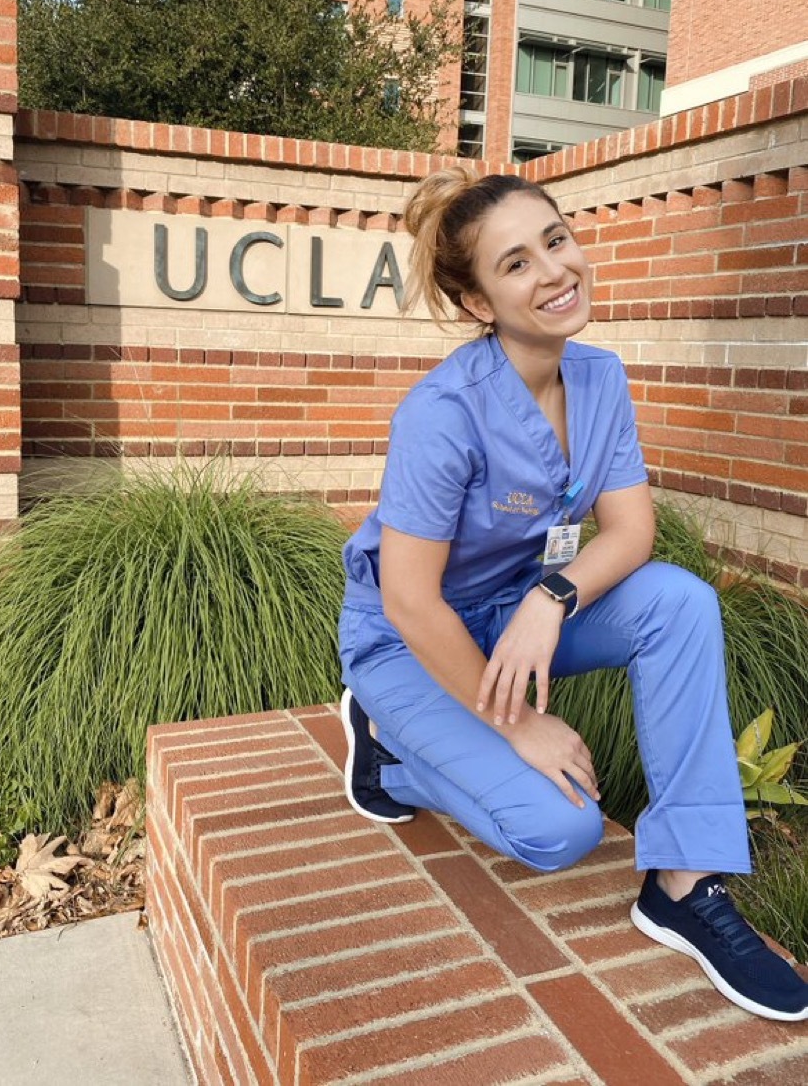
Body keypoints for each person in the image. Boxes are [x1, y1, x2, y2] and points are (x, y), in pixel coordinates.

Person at [338, 169, 808, 1024]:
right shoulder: (441, 413)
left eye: (555, 241)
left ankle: (683, 881)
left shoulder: (599, 378)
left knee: (677, 603)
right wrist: (517, 723)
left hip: (519, 614)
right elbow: (409, 600)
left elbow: (630, 534)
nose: (554, 272)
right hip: (410, 639)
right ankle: (387, 754)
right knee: (557, 833)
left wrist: (549, 597)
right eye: (515, 264)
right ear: (479, 303)